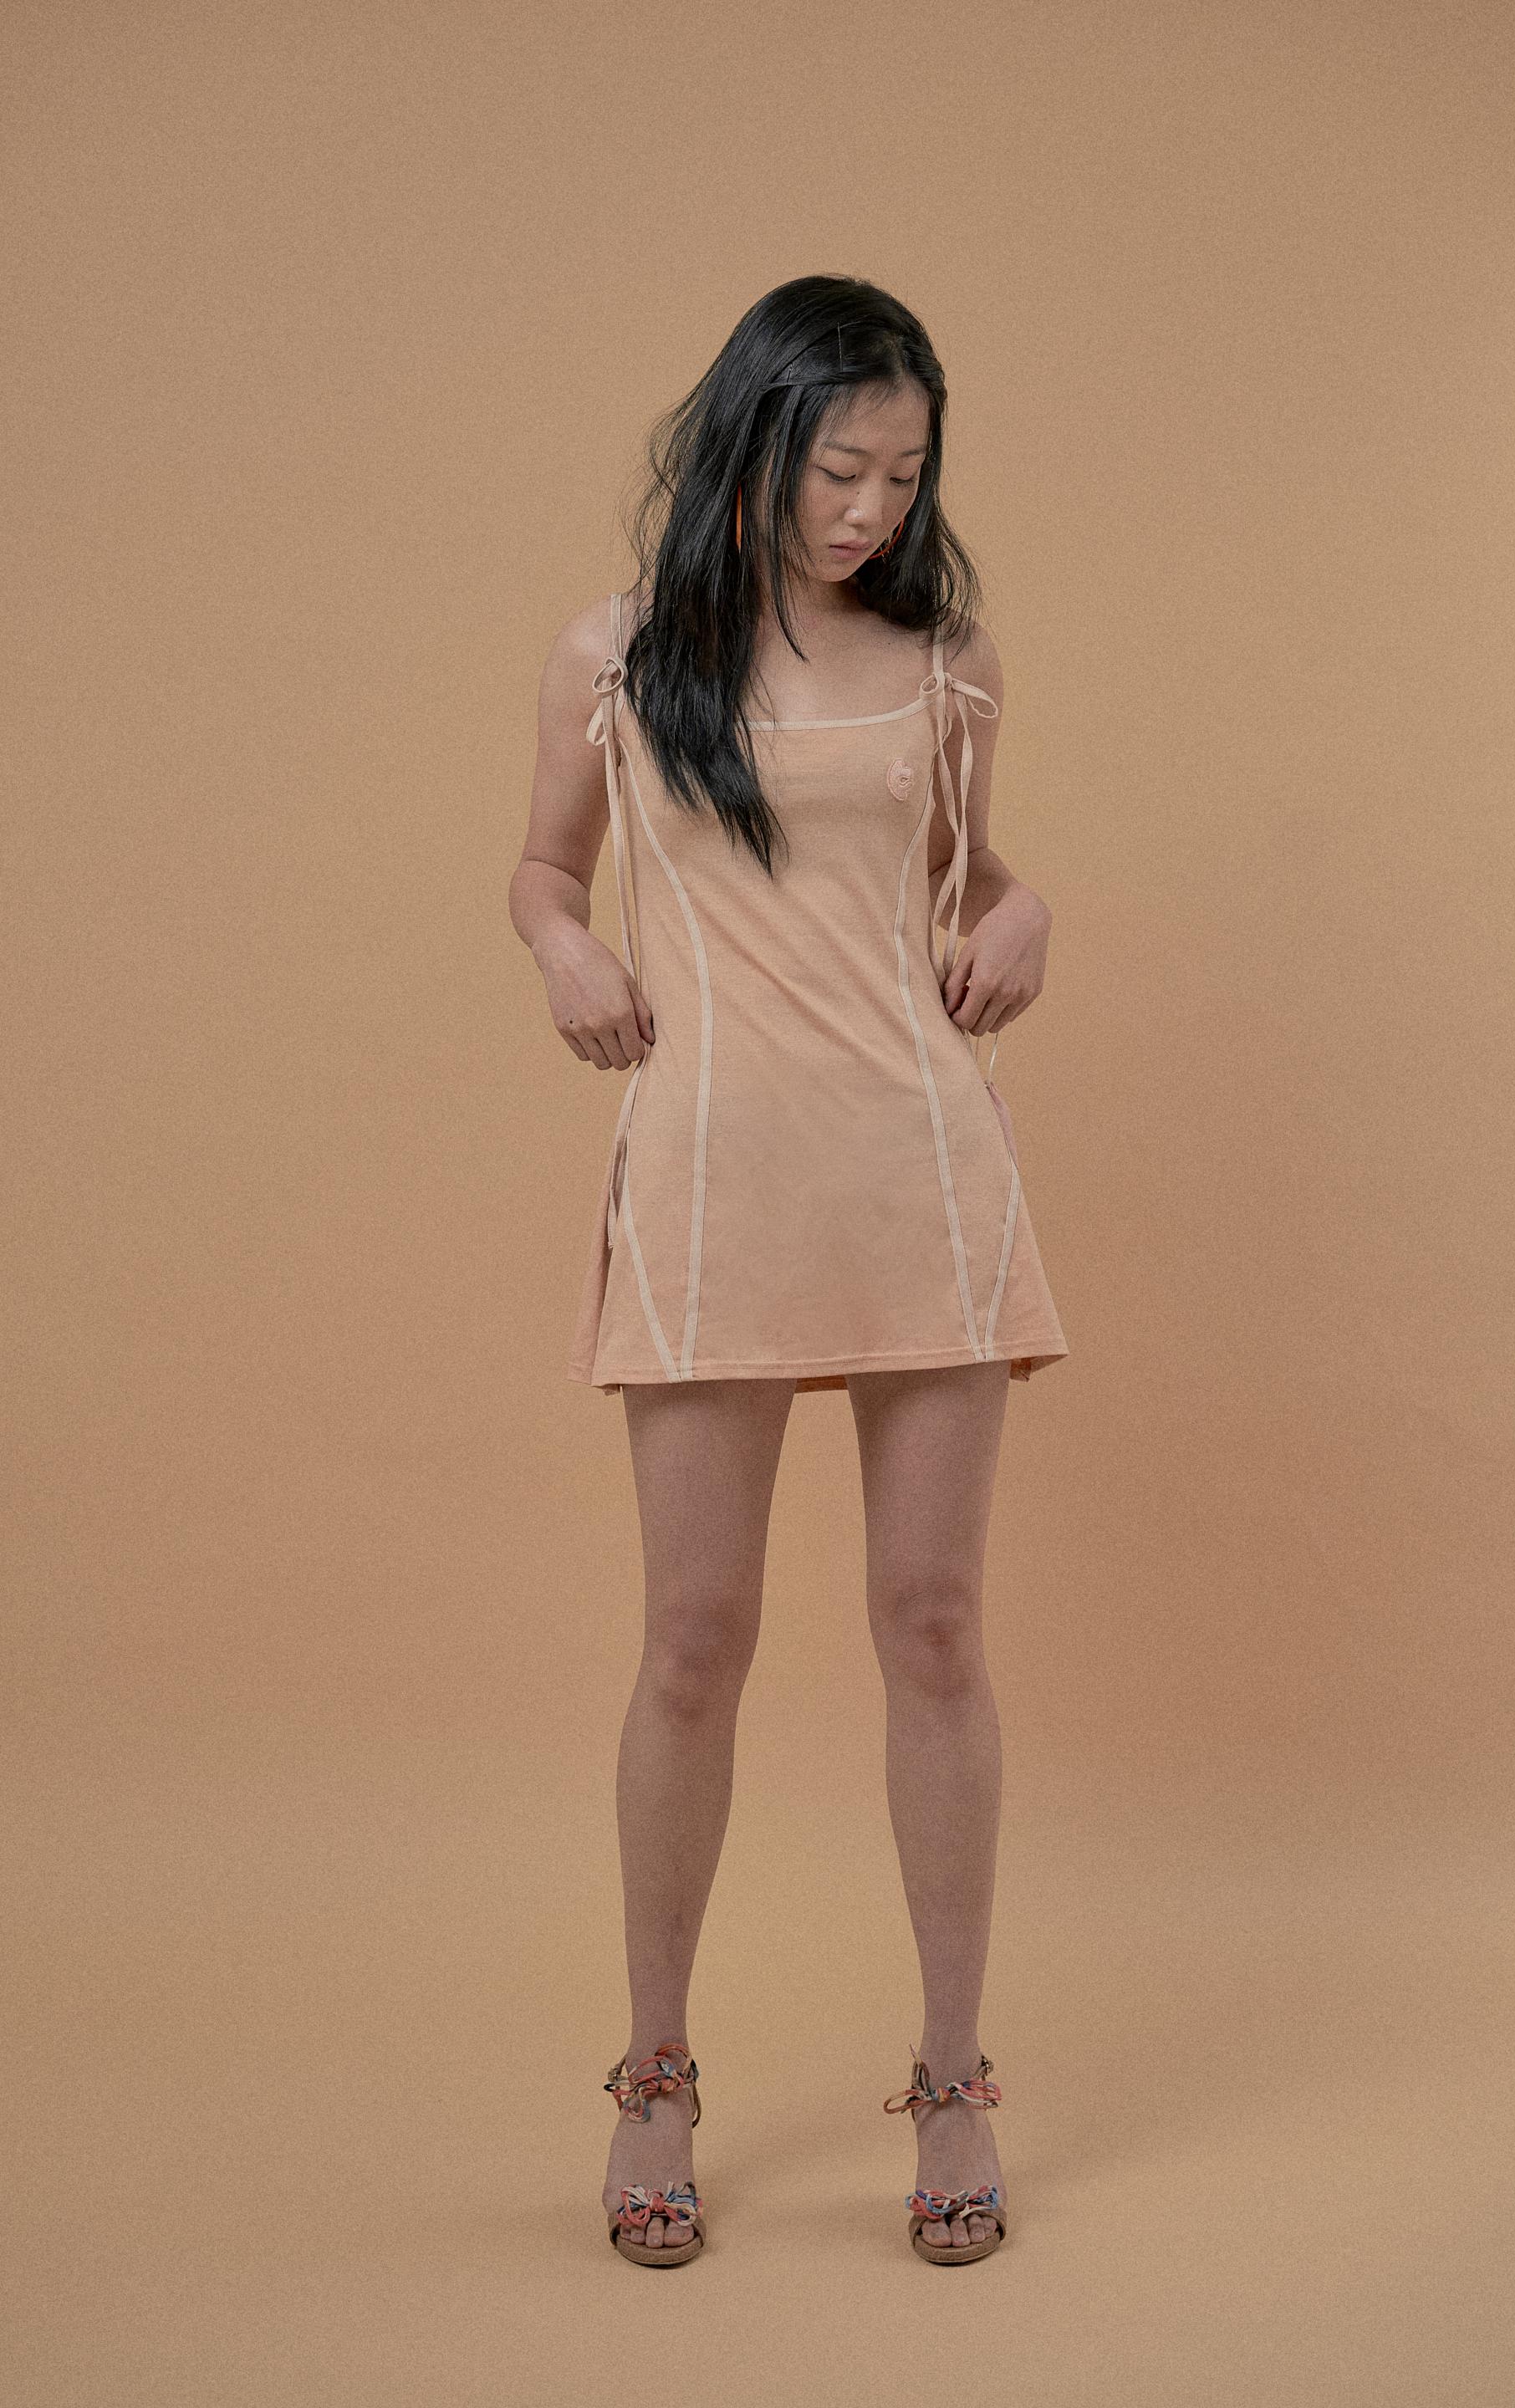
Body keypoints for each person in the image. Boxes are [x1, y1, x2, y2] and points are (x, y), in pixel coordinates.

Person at [508, 274, 1069, 2267]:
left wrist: (1026, 909)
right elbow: (545, 867)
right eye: (841, 466)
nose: (870, 508)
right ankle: (656, 2073)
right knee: (694, 1638)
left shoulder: (946, 662)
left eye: (904, 474)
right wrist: (565, 948)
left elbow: (973, 879)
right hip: (711, 1178)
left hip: (920, 1167)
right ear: (754, 440)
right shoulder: (618, 653)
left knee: (935, 1626)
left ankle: (954, 2076)